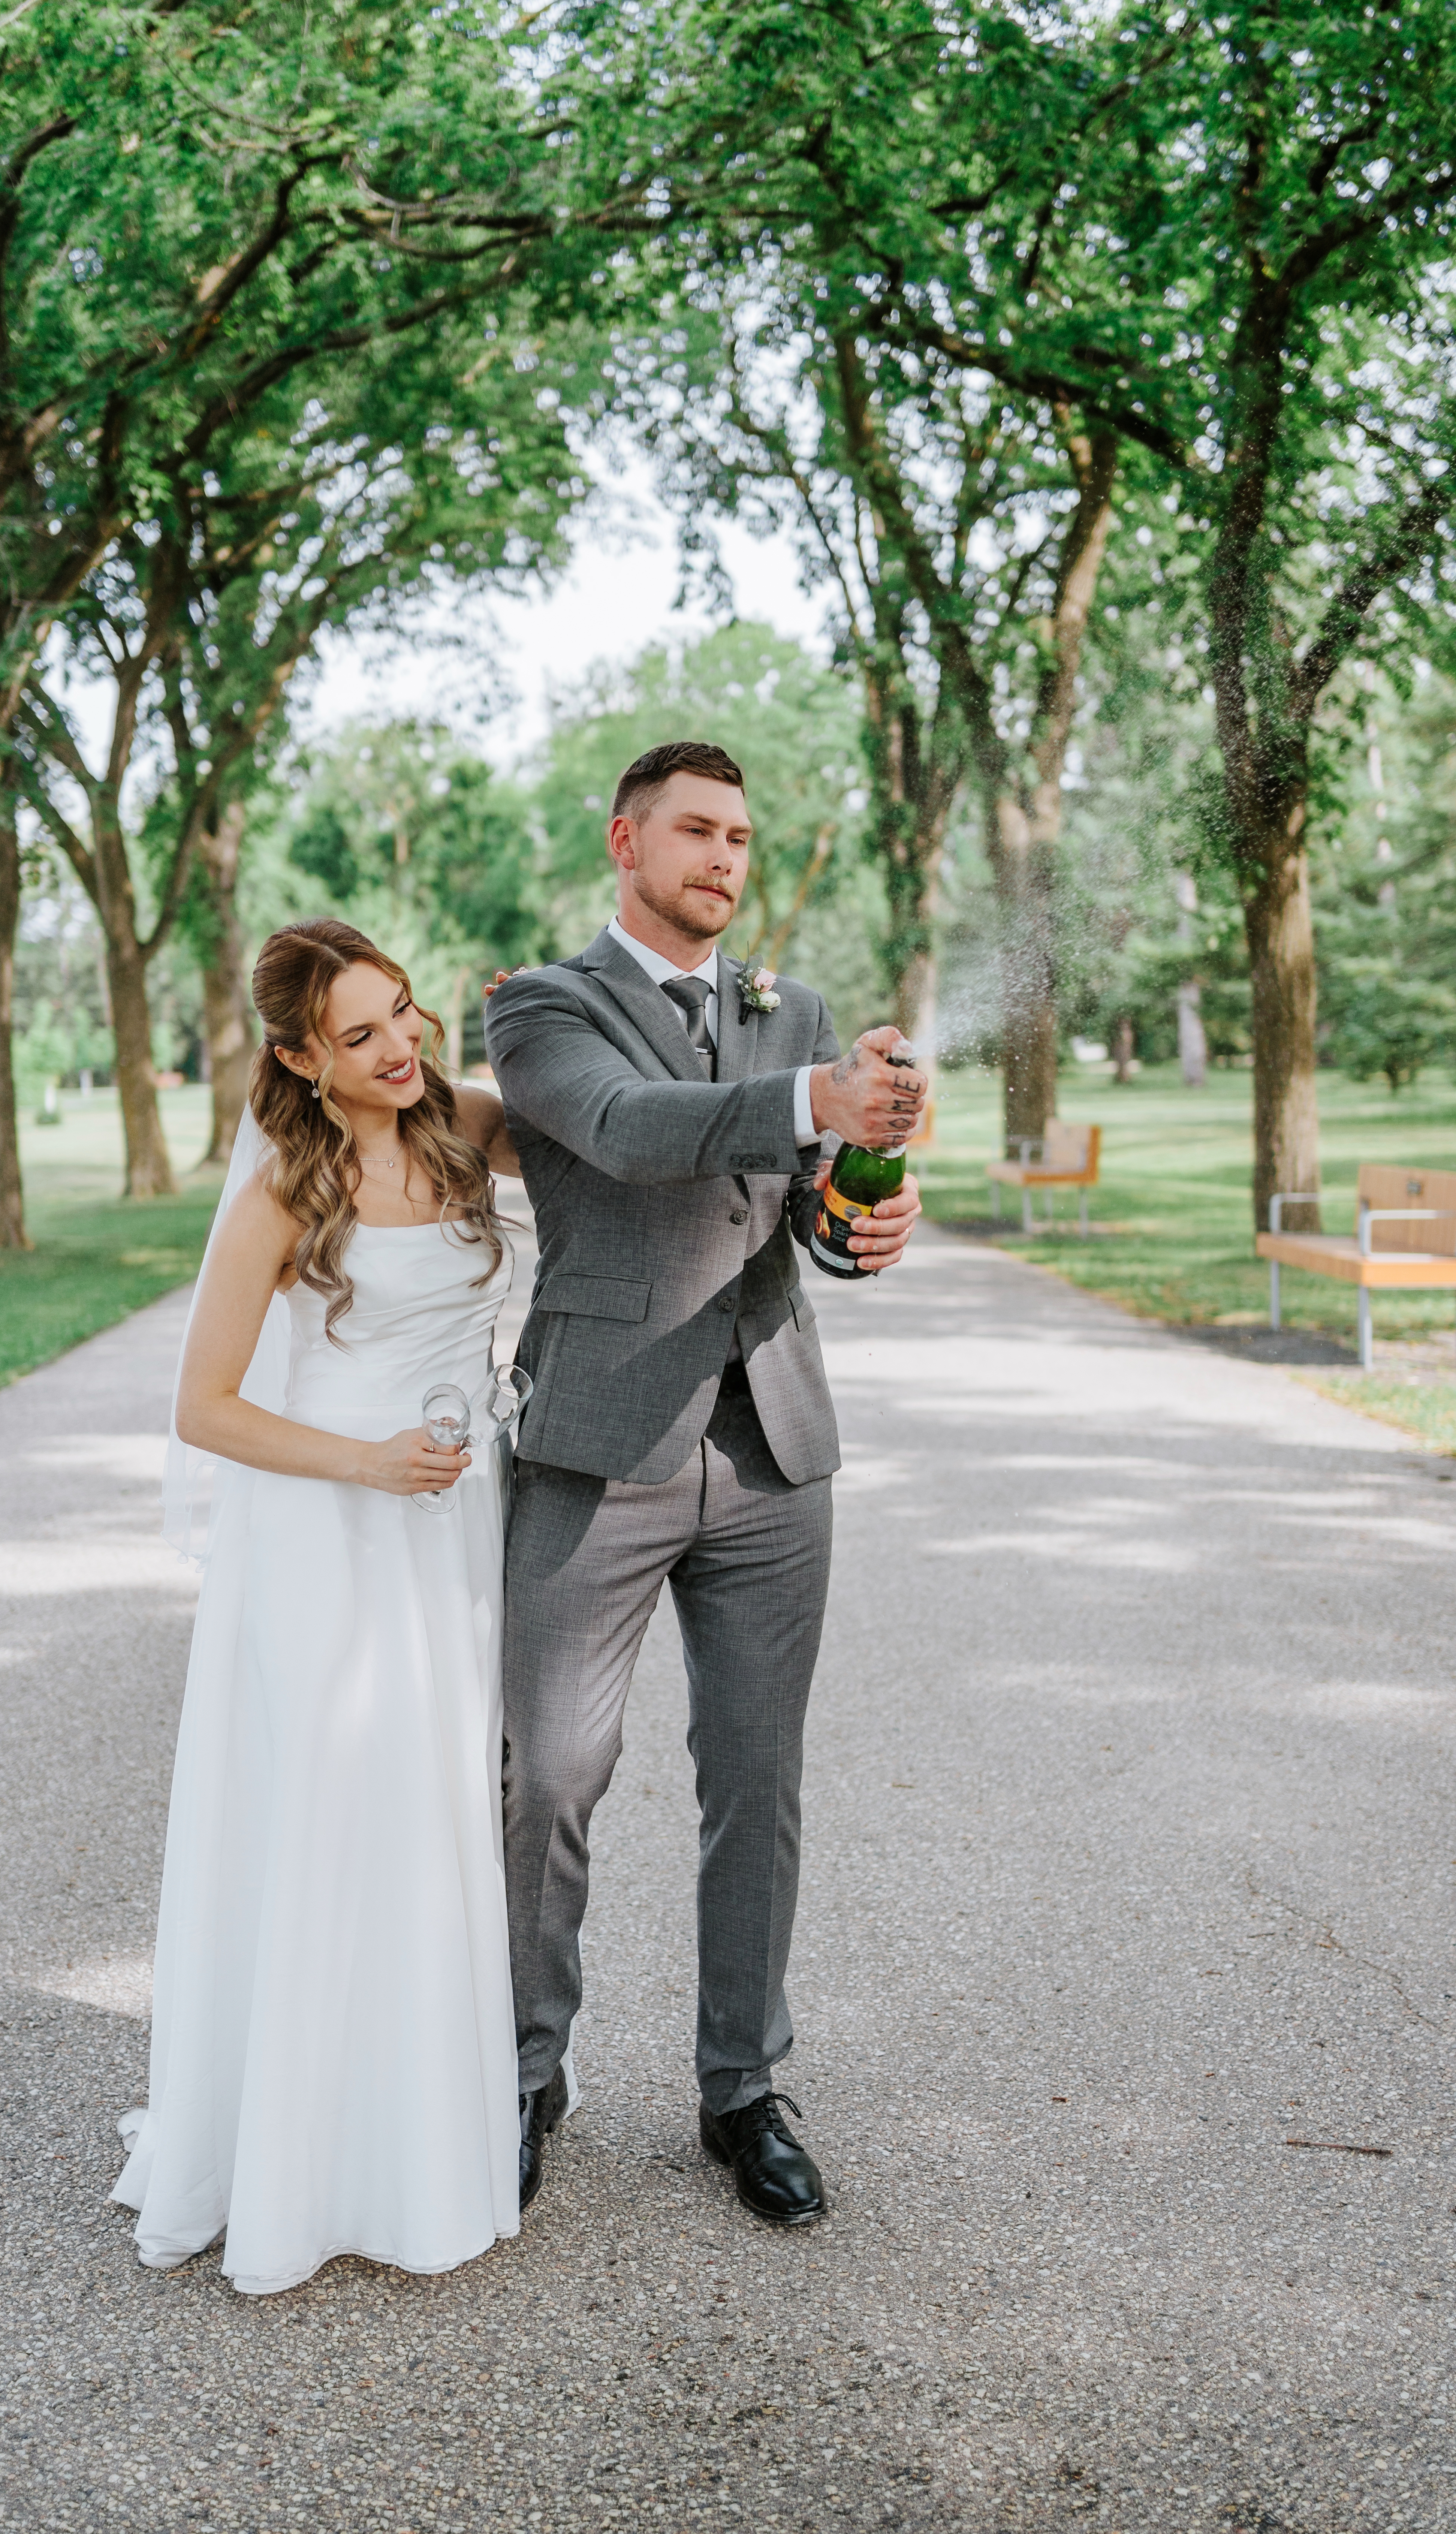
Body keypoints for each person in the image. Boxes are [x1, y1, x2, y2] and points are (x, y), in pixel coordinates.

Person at [483, 739, 925, 2226]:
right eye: (694, 830)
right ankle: (524, 2072)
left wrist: (861, 1218)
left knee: (757, 1778)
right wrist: (815, 1092)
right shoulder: (541, 1005)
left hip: (771, 1449)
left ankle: (742, 2090)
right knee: (548, 1772)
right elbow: (624, 1130)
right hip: (593, 1445)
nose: (724, 857)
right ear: (625, 839)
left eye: (741, 835)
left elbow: (797, 1208)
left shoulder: (786, 1007)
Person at [112, 918, 536, 2292]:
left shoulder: (463, 1126)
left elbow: (606, 1130)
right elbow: (204, 1407)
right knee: (337, 1825)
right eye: (362, 1035)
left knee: (434, 1824)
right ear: (301, 1057)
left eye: (405, 1012)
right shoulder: (284, 1196)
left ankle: (415, 2140)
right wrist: (365, 1462)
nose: (401, 1045)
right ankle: (303, 2162)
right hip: (335, 1529)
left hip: (455, 1525)